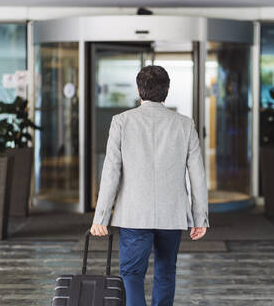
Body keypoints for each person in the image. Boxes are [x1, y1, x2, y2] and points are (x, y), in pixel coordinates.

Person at [90, 65, 209, 306]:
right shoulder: (185, 124)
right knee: (166, 272)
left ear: (138, 90)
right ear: (167, 90)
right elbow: (197, 174)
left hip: (134, 215)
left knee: (132, 274)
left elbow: (111, 171)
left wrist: (101, 217)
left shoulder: (121, 122)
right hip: (172, 214)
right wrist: (200, 218)